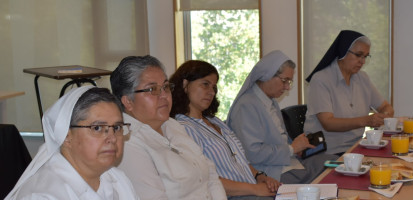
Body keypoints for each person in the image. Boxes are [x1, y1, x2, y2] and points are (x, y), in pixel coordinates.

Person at [110, 55, 226, 200]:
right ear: (128, 101)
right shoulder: (127, 143)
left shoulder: (171, 124)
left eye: (165, 87)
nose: (164, 95)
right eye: (152, 89)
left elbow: (210, 174)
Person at [170, 60, 280, 199]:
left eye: (214, 87)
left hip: (251, 191)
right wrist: (255, 189)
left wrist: (259, 176)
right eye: (205, 84)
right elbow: (202, 180)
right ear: (185, 85)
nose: (211, 92)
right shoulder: (181, 128)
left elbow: (237, 159)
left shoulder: (214, 121)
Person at [6, 86, 138, 199]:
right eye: (97, 128)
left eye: (117, 128)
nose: (113, 138)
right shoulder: (42, 195)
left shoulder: (118, 179)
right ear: (66, 136)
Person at [227, 50, 330, 184]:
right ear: (267, 75)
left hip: (285, 162)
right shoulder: (246, 106)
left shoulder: (270, 101)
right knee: (328, 174)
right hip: (269, 173)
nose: (287, 87)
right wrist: (291, 149)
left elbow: (278, 140)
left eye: (289, 82)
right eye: (284, 80)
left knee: (333, 161)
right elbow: (253, 154)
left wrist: (297, 147)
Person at [303, 30, 394, 156]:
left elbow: (385, 107)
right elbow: (328, 123)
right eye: (358, 55)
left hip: (357, 148)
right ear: (343, 52)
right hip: (327, 152)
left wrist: (384, 117)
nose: (362, 61)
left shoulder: (363, 78)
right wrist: (366, 121)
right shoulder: (321, 79)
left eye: (366, 56)